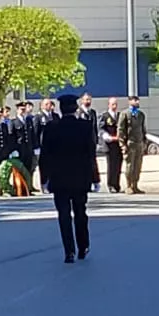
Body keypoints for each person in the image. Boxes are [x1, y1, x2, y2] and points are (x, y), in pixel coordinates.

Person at [43, 94, 98, 262]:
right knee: (80, 212)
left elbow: (45, 156)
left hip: (59, 178)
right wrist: (95, 178)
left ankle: (69, 251)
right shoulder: (85, 127)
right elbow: (91, 154)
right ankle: (83, 246)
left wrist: (44, 179)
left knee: (64, 215)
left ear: (60, 108)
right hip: (80, 177)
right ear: (75, 108)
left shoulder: (51, 127)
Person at [119, 95, 149, 192]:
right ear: (130, 102)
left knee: (138, 165)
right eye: (135, 100)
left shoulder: (140, 114)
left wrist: (144, 141)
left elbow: (143, 129)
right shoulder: (125, 114)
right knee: (129, 165)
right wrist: (122, 144)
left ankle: (135, 185)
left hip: (139, 143)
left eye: (138, 100)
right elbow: (121, 130)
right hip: (129, 143)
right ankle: (129, 186)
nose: (137, 102)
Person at [98, 98, 125, 192]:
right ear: (108, 105)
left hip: (118, 144)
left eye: (116, 104)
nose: (114, 106)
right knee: (111, 165)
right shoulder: (104, 116)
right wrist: (109, 137)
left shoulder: (119, 116)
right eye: (112, 104)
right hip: (109, 144)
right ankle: (111, 185)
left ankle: (117, 185)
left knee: (118, 165)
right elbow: (101, 130)